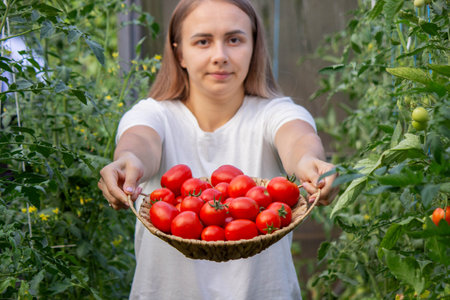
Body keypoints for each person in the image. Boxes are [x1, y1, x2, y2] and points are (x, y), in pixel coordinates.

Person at [98, 0, 338, 299]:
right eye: (202, 41)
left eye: (234, 40)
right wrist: (127, 163)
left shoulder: (275, 112)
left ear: (254, 47)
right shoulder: (152, 114)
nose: (220, 56)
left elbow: (298, 138)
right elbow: (139, 143)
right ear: (179, 52)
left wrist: (310, 162)